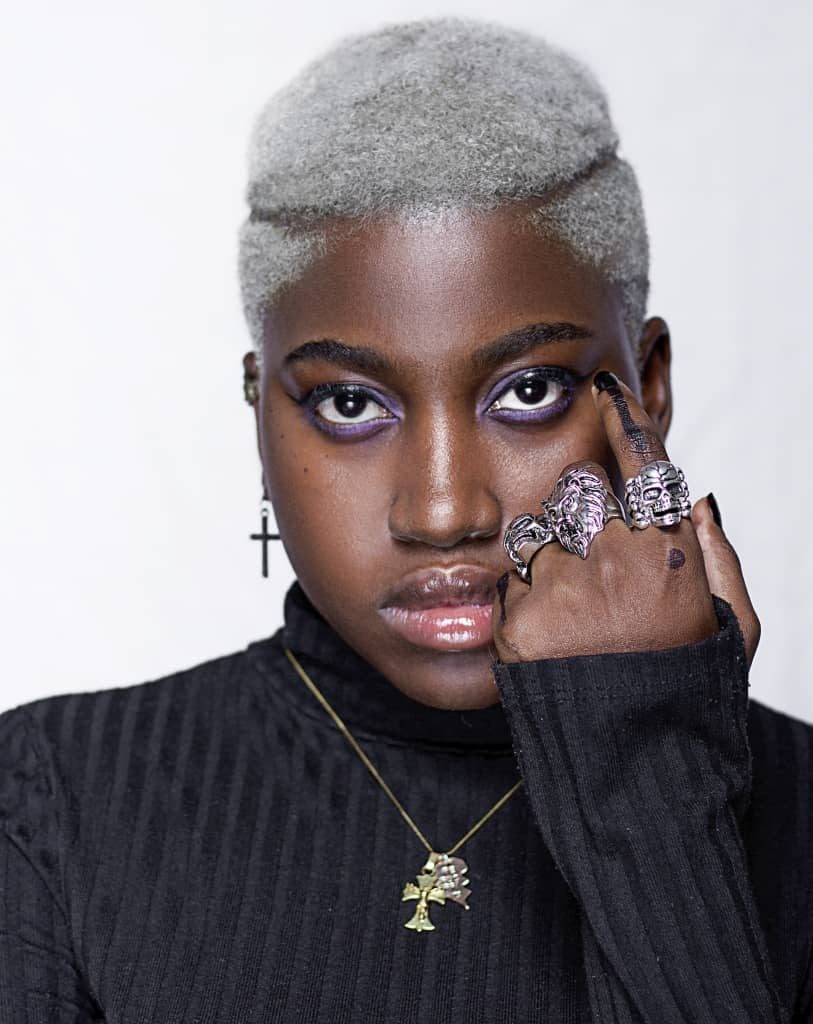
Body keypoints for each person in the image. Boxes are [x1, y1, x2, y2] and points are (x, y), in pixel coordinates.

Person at [1, 15, 810, 1023]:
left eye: (528, 392)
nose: (443, 511)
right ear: (259, 410)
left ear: (645, 387)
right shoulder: (50, 801)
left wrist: (650, 784)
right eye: (349, 403)